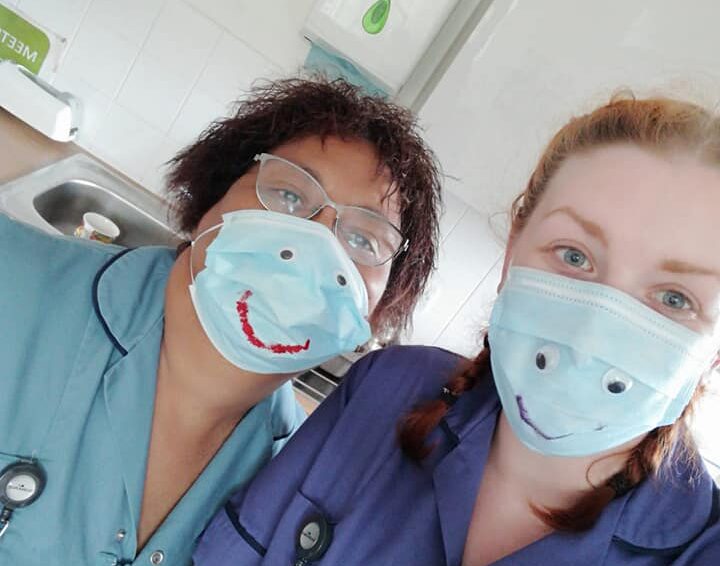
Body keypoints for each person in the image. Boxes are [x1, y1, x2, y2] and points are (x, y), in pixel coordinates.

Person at [194, 95, 720, 566]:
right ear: (515, 250)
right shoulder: (389, 388)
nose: (592, 333)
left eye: (675, 299)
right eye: (574, 255)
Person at [0, 77, 442, 565]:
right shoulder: (13, 283)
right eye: (289, 194)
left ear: (372, 316)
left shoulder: (292, 495)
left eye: (364, 238)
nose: (312, 241)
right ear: (210, 200)